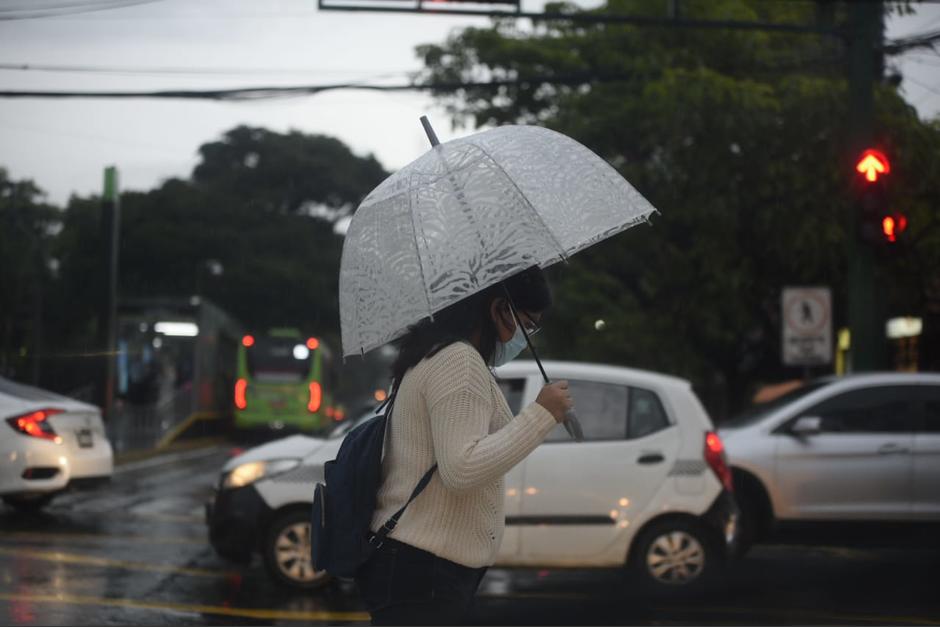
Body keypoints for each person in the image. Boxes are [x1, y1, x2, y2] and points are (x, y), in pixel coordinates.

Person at [354, 266, 573, 626]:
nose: (527, 335)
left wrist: (543, 414)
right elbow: (463, 469)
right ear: (499, 308)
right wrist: (542, 414)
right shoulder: (458, 362)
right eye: (528, 323)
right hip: (424, 571)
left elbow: (482, 447)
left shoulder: (447, 356)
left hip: (424, 568)